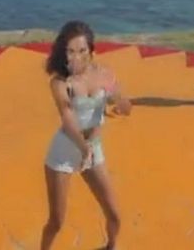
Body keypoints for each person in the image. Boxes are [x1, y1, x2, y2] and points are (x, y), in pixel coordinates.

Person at [41, 21, 133, 250]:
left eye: (82, 50)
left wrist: (116, 96)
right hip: (65, 152)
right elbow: (68, 118)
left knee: (114, 215)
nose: (77, 57)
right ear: (63, 52)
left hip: (92, 149)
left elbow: (126, 108)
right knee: (56, 221)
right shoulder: (59, 82)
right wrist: (84, 149)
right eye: (71, 51)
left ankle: (110, 246)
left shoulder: (104, 74)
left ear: (91, 51)